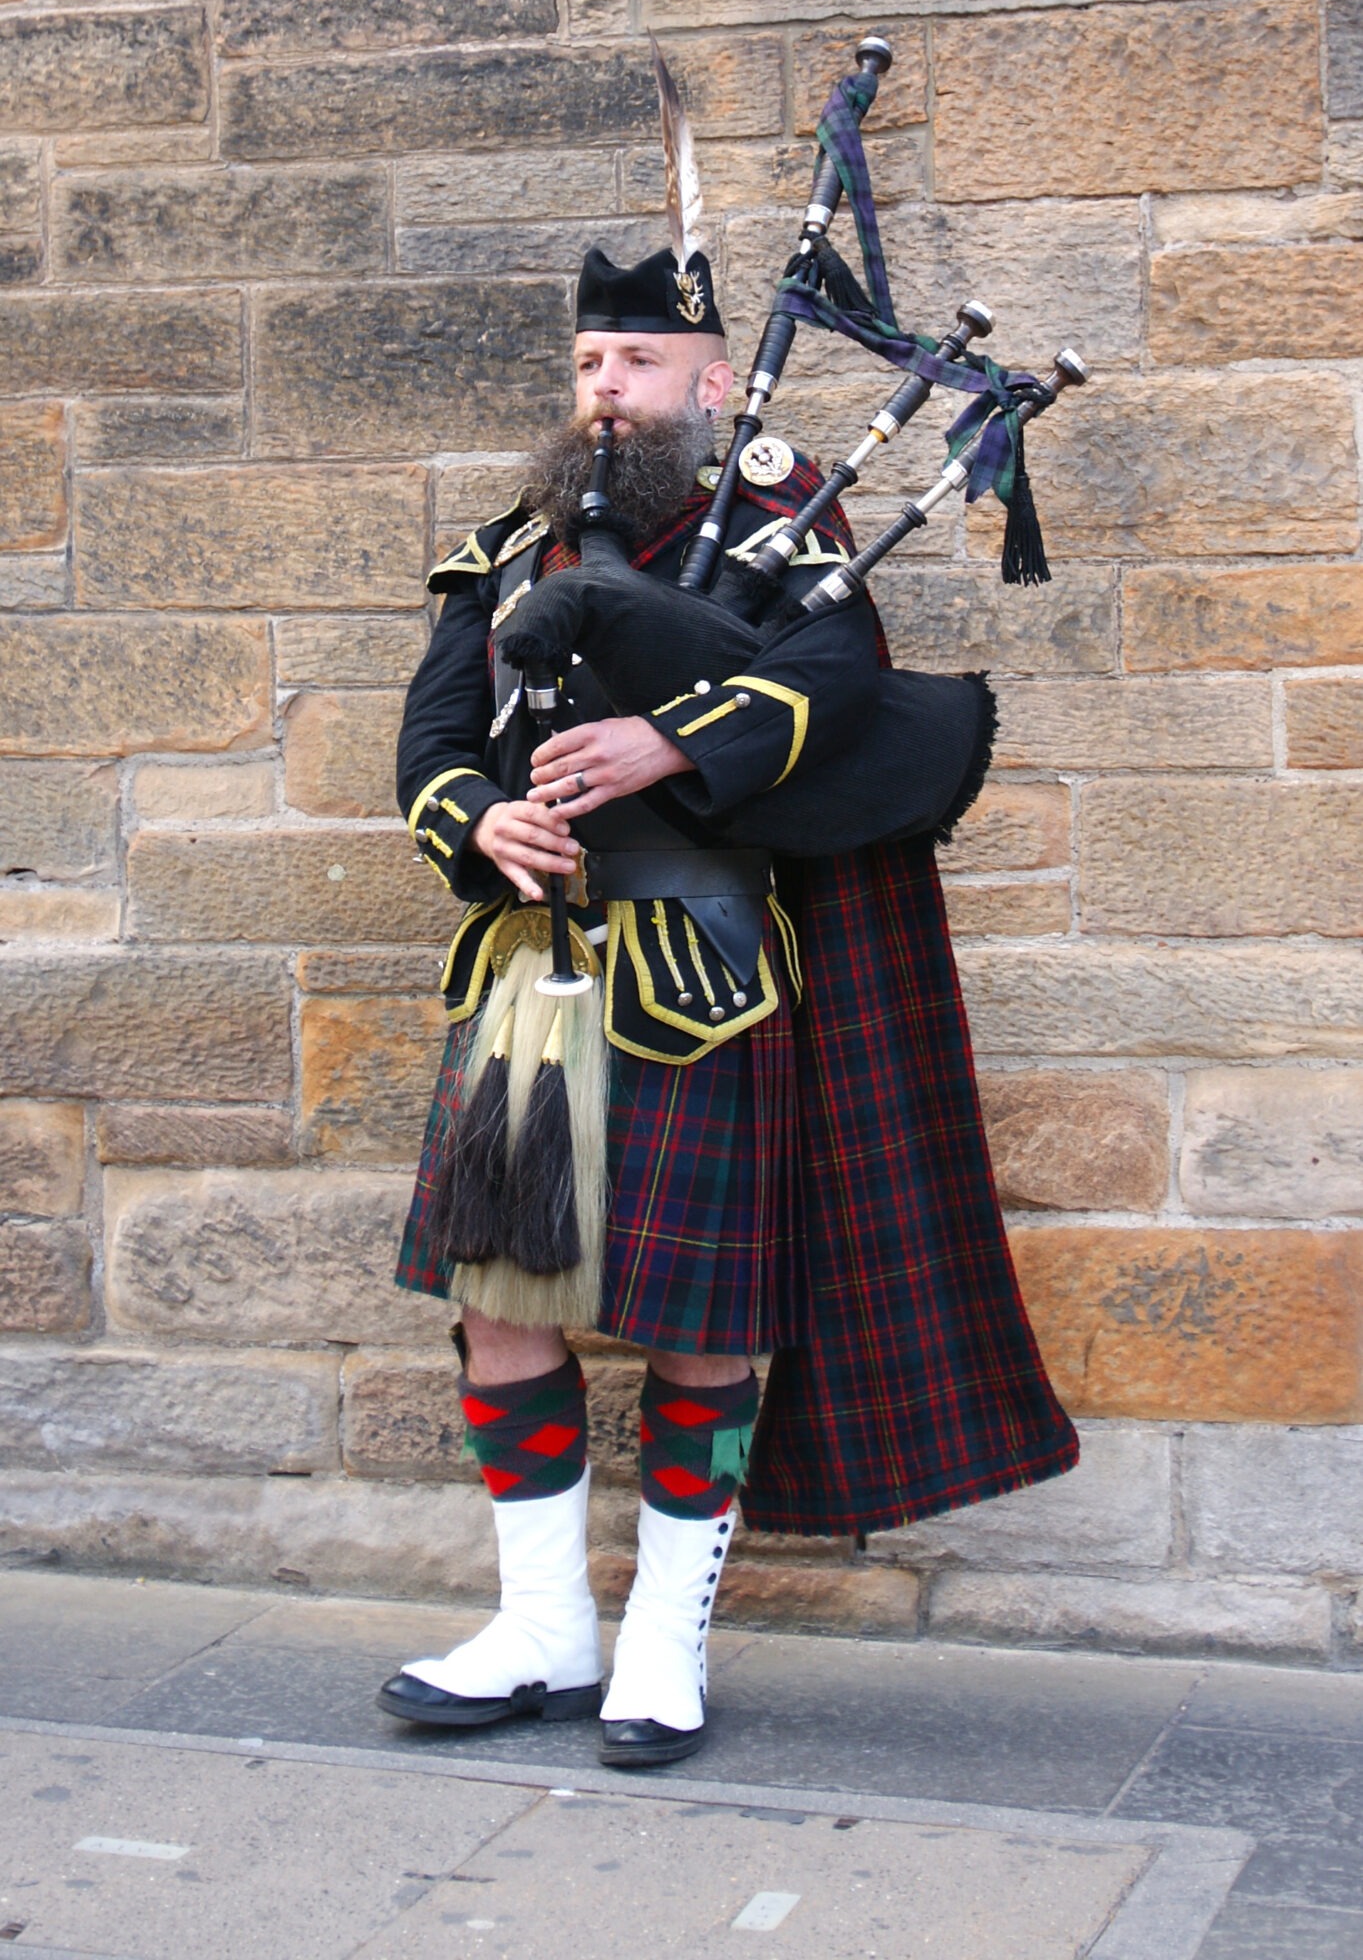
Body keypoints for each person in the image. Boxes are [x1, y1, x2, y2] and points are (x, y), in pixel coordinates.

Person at [379, 244, 1078, 1767]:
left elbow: (838, 674)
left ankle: (657, 1648)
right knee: (501, 1307)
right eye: (586, 369)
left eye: (634, 367)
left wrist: (669, 749)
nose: (605, 394)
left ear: (710, 384)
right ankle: (543, 1630)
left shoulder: (791, 528)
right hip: (529, 977)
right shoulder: (515, 548)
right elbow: (431, 741)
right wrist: (474, 825)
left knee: (702, 1328)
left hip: (704, 981)